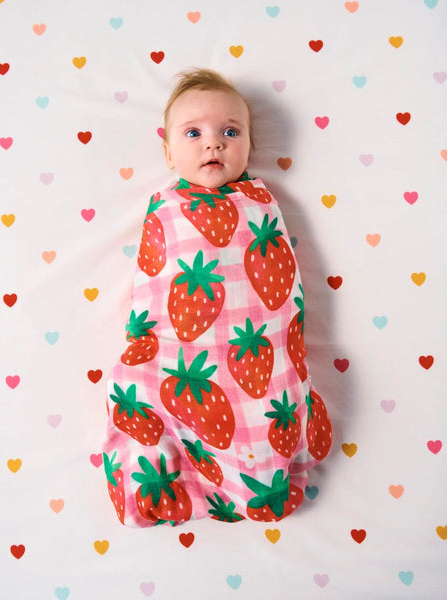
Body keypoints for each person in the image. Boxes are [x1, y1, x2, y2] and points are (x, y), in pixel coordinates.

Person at [102, 68, 332, 527]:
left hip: (260, 350)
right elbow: (150, 284)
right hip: (177, 353)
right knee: (133, 388)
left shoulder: (263, 203)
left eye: (231, 131)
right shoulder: (165, 208)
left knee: (271, 404)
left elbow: (284, 289)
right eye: (194, 133)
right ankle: (161, 484)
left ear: (250, 146)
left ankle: (263, 477)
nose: (214, 143)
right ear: (168, 151)